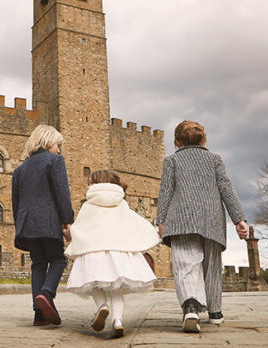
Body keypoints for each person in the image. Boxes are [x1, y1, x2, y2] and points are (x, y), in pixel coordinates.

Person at [156, 120, 248, 333]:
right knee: (213, 266)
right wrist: (239, 220)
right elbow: (227, 189)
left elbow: (166, 192)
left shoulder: (171, 160)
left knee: (186, 264)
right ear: (203, 140)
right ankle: (215, 312)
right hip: (212, 219)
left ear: (177, 141)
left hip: (181, 219)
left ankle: (190, 306)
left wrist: (160, 220)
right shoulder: (215, 159)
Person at [65, 170, 160, 337]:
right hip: (119, 252)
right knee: (117, 290)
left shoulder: (89, 204)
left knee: (92, 282)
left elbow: (81, 227)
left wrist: (69, 235)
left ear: (95, 184)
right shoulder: (120, 202)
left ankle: (102, 306)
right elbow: (133, 221)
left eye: (90, 182)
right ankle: (118, 321)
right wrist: (152, 232)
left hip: (93, 251)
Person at [12, 124, 74, 326]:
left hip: (27, 224)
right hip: (48, 221)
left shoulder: (20, 170)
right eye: (58, 145)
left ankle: (39, 316)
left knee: (38, 264)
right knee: (58, 259)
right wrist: (67, 221)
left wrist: (19, 227)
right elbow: (62, 193)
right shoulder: (55, 161)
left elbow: (16, 203)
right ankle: (47, 294)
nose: (59, 149)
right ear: (48, 142)